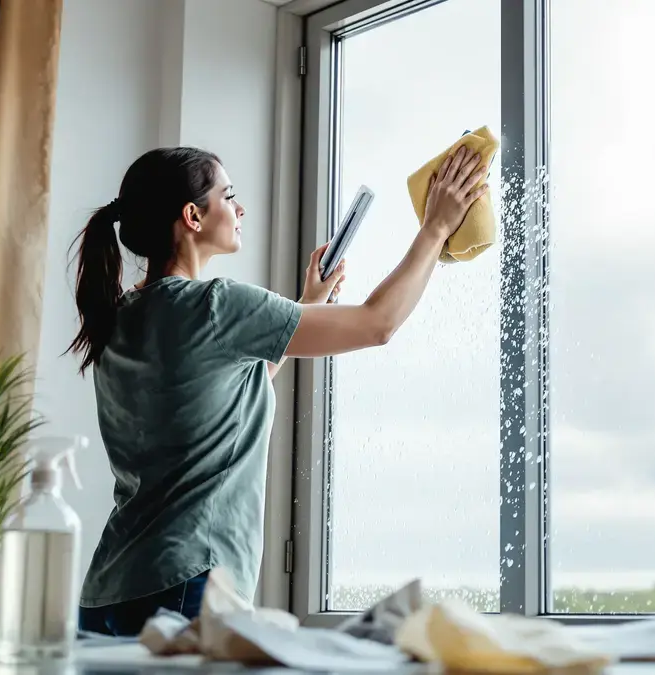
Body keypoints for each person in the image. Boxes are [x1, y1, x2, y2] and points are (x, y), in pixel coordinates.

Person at [68, 145, 488, 636]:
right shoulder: (216, 305)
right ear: (192, 216)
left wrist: (310, 303)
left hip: (108, 592)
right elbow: (377, 324)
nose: (240, 208)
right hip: (185, 586)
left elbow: (226, 396)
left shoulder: (117, 318)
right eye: (229, 195)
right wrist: (436, 228)